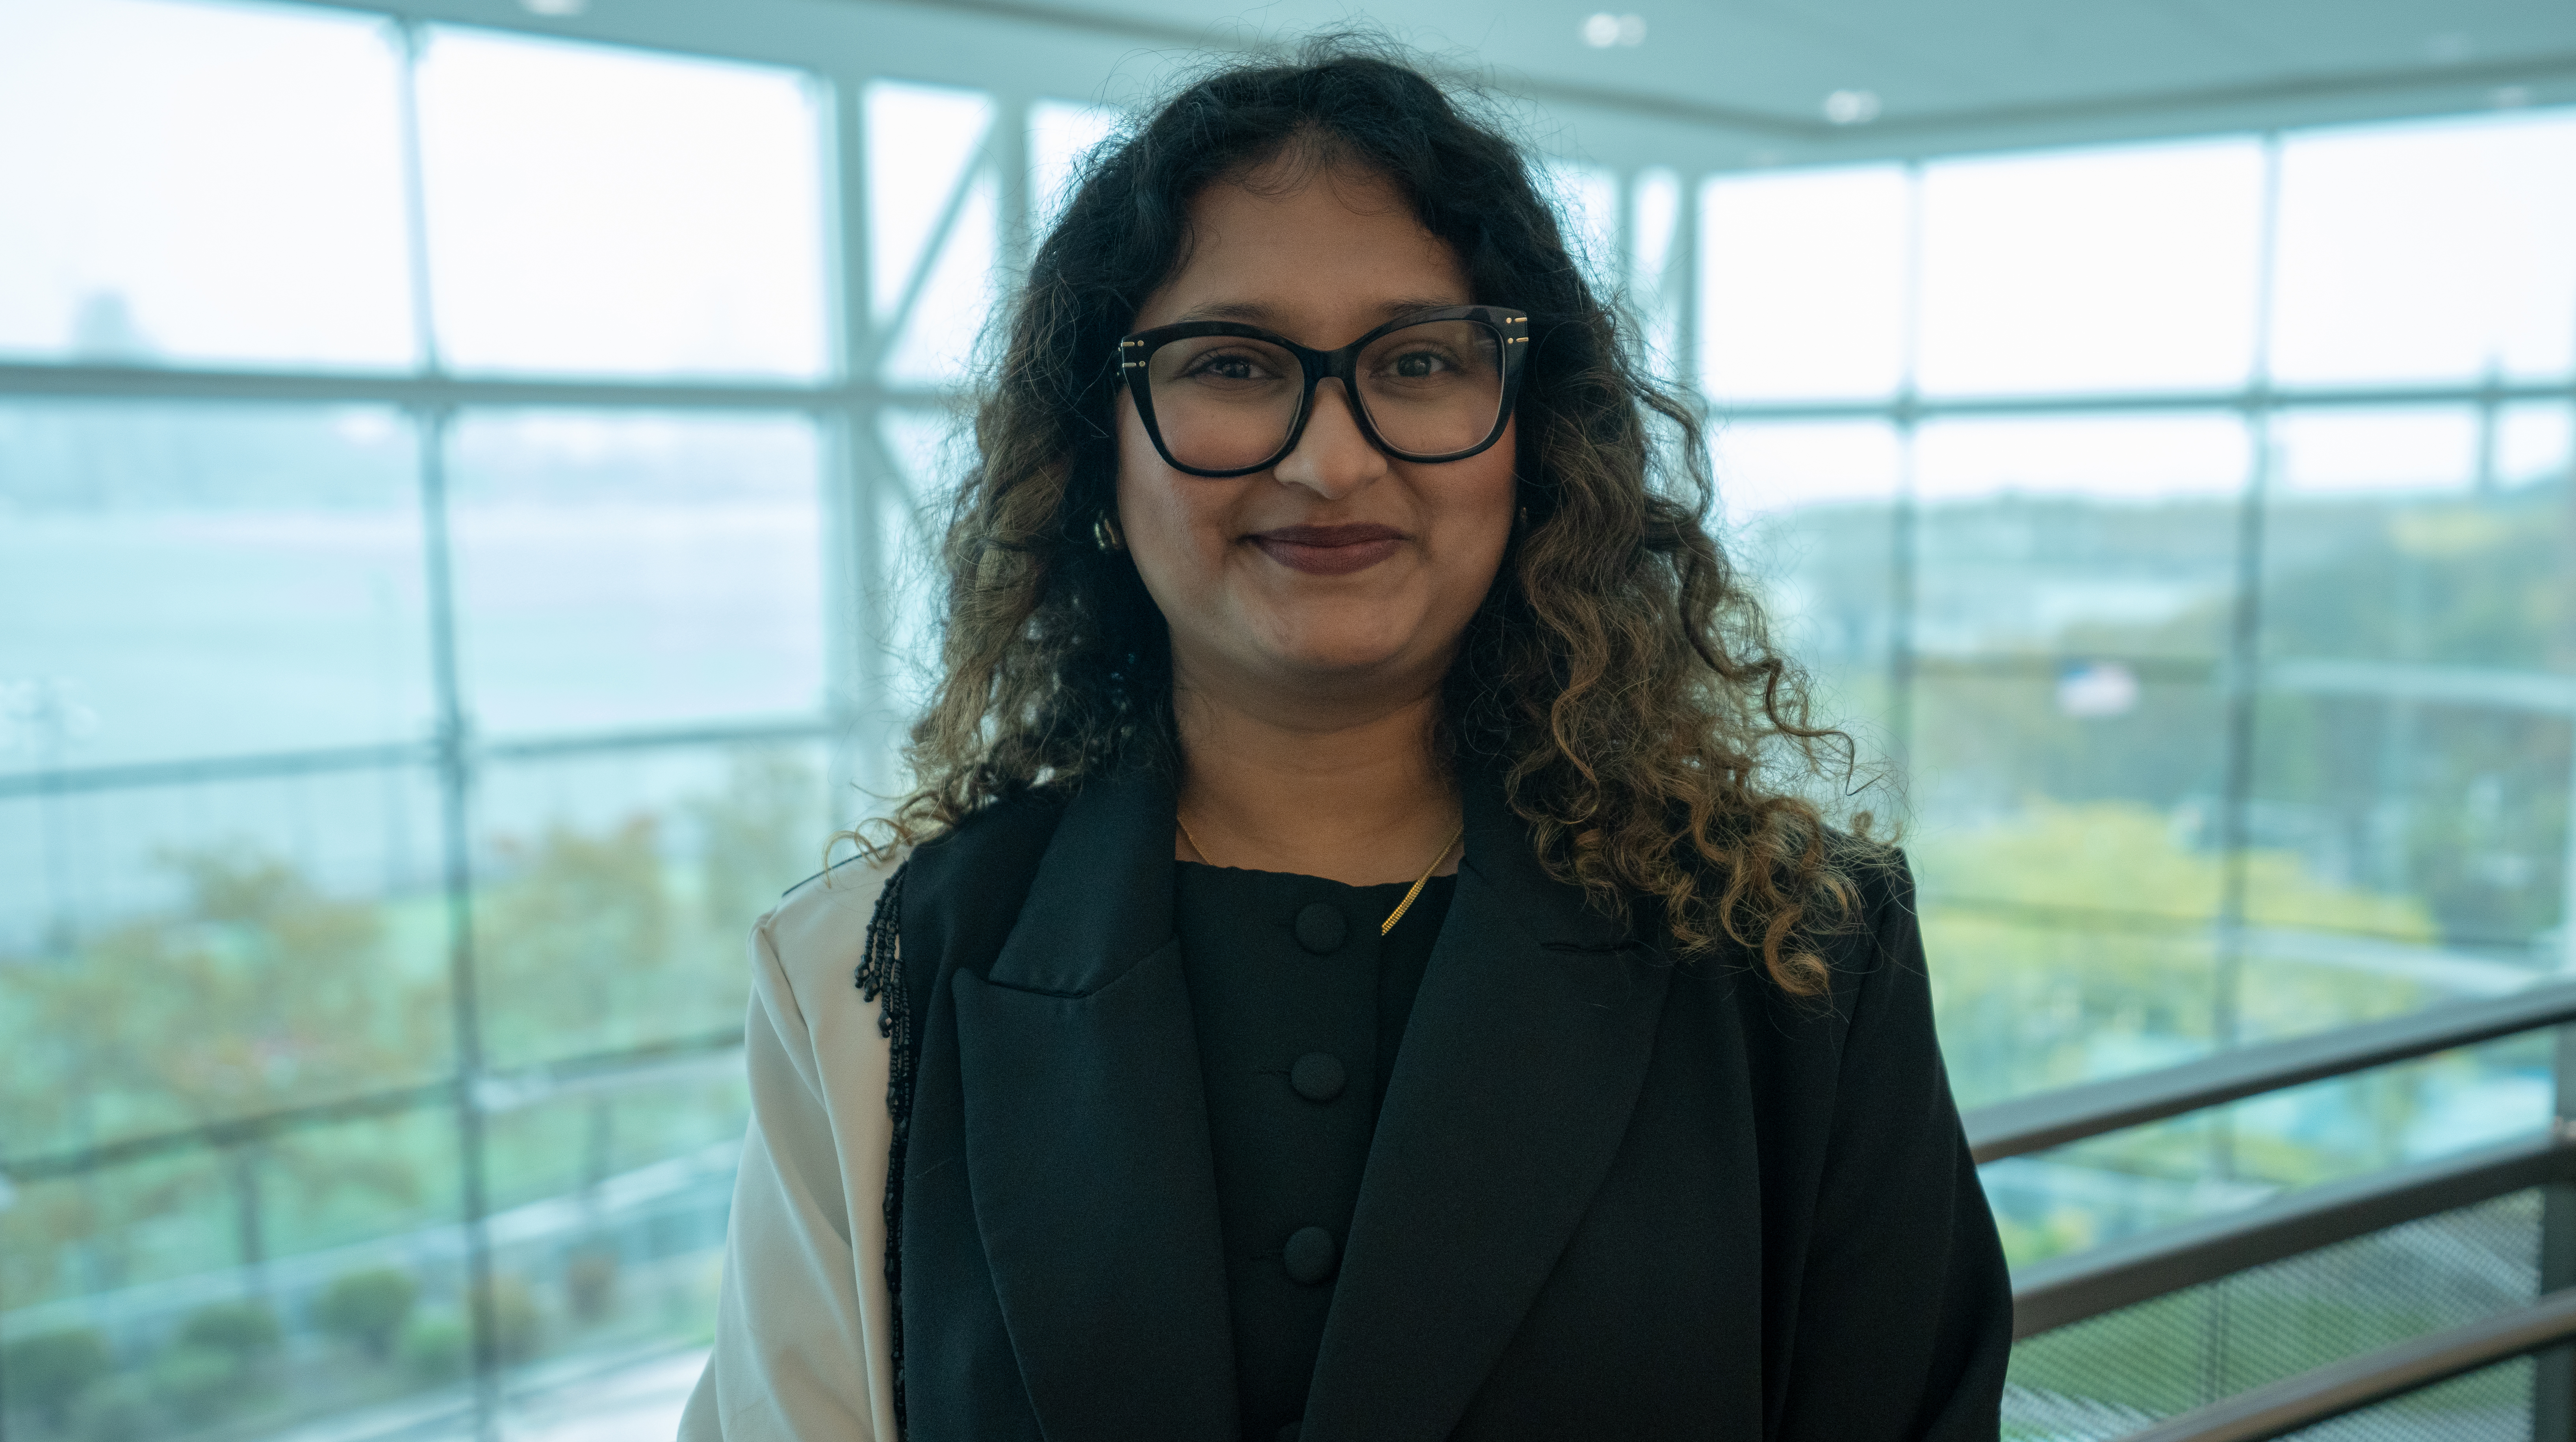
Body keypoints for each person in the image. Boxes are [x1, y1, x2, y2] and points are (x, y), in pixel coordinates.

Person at [680, 43, 2010, 1442]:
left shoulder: (1799, 954)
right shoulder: (868, 974)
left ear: (1535, 437)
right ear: (1095, 447)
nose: (1328, 460)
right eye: (1234, 363)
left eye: (1420, 360)